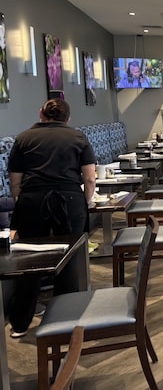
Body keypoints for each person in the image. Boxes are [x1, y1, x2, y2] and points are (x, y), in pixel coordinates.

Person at [7, 98, 96, 338]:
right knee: (69, 257)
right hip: (69, 199)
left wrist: (21, 203)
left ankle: (20, 323)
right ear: (67, 118)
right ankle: (65, 318)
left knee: (29, 259)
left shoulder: (23, 138)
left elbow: (15, 181)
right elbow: (89, 178)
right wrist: (86, 201)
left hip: (32, 200)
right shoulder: (77, 137)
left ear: (41, 114)